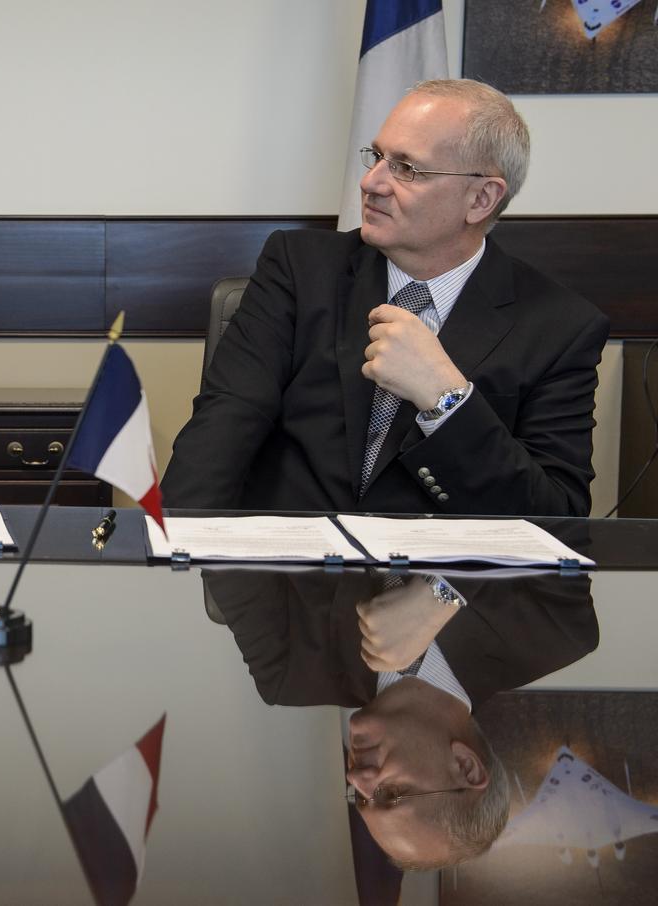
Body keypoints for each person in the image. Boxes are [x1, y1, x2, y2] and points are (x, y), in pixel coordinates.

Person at [163, 79, 609, 516]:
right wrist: (170, 549)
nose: (371, 182)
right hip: (288, 576)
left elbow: (556, 514)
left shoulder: (560, 326)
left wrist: (446, 398)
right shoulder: (299, 267)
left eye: (407, 168)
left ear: (481, 198)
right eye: (377, 157)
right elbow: (225, 423)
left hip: (442, 583)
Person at [203, 565, 598, 868]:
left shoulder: (286, 673)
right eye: (391, 794)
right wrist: (444, 592)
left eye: (359, 797)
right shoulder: (557, 630)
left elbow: (211, 516)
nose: (356, 777)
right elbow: (547, 505)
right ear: (465, 766)